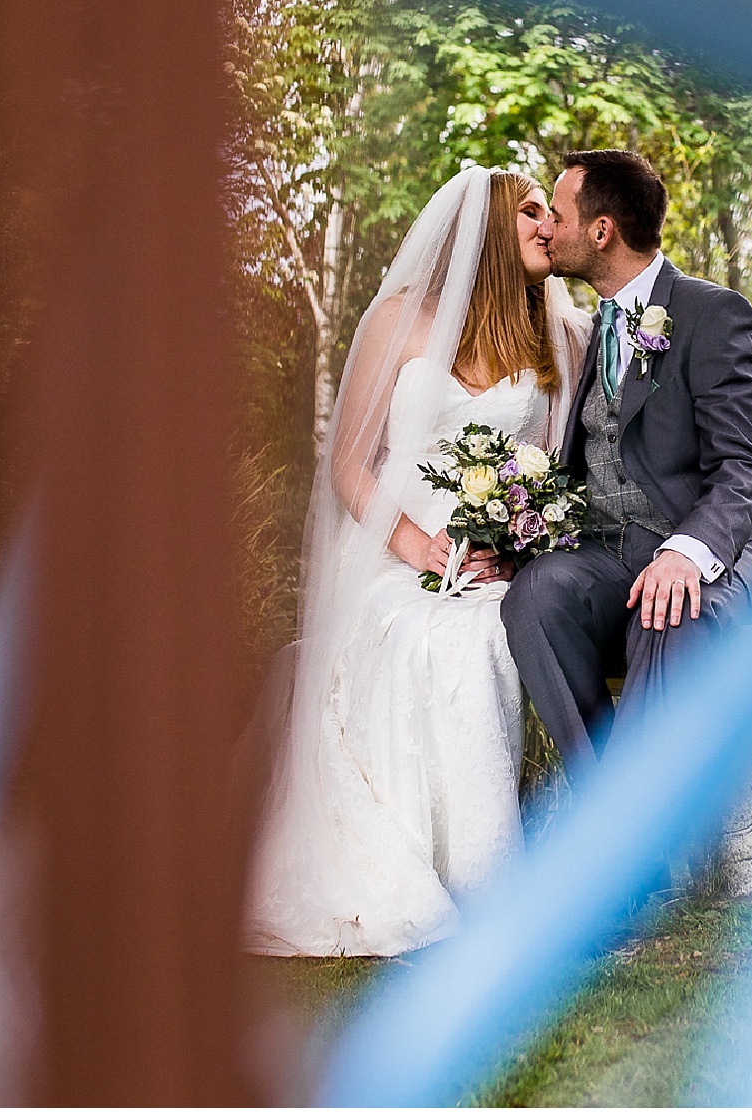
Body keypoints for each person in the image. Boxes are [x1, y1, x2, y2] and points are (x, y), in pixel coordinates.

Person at [246, 165, 590, 956]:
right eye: (530, 212)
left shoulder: (560, 337)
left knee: (479, 638)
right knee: (410, 633)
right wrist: (415, 546)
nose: (548, 224)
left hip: (492, 566)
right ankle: (434, 874)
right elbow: (349, 464)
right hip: (399, 556)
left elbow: (557, 468)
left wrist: (514, 545)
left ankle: (485, 878)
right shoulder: (401, 321)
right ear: (486, 229)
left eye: (552, 211)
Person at [501, 149, 752, 778]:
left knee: (667, 611)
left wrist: (685, 552)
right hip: (615, 552)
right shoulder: (585, 328)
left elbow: (743, 470)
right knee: (535, 595)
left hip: (715, 552)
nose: (546, 226)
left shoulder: (712, 313)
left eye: (558, 212)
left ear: (601, 231)